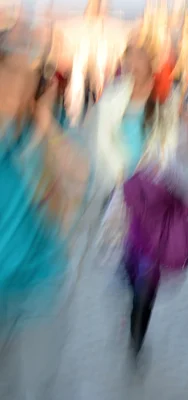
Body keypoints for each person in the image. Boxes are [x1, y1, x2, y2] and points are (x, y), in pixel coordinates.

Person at [88, 42, 188, 356]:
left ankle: (138, 333)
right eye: (128, 59)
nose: (132, 65)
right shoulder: (113, 98)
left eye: (138, 59)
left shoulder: (165, 100)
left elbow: (170, 143)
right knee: (127, 260)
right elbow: (103, 141)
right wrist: (122, 170)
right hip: (120, 188)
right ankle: (129, 292)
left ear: (149, 64)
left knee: (149, 266)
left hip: (153, 191)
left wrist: (153, 170)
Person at [0, 26, 91, 398]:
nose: (14, 86)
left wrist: (43, 123)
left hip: (39, 285)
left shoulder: (48, 132)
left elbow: (80, 178)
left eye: (26, 76)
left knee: (31, 389)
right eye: (8, 73)